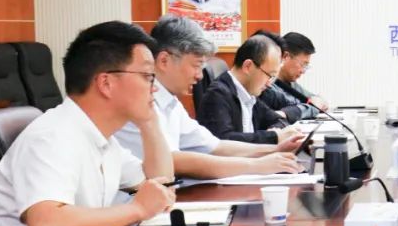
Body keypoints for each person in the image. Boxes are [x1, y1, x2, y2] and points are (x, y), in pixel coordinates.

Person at [0, 21, 176, 226]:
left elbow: (160, 183)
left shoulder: (101, 138)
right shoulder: (53, 136)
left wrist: (149, 122)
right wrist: (137, 209)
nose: (154, 87)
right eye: (148, 76)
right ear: (106, 83)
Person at [114, 16, 304, 178]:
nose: (199, 76)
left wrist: (275, 149)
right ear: (164, 60)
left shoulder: (171, 102)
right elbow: (172, 160)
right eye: (196, 65)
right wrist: (257, 165)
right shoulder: (137, 100)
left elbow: (215, 146)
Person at [197, 35, 291, 144]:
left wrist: (278, 132)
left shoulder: (249, 94)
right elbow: (223, 141)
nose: (269, 84)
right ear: (248, 66)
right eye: (269, 75)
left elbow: (279, 120)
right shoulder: (217, 95)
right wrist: (273, 136)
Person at [259, 31, 330, 121]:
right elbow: (292, 109)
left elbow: (315, 99)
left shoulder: (292, 84)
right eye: (303, 64)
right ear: (286, 57)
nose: (303, 71)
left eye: (306, 66)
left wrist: (317, 103)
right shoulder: (268, 86)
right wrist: (313, 107)